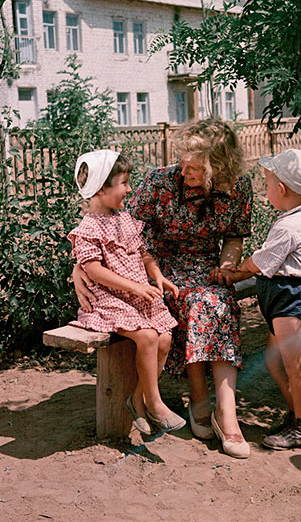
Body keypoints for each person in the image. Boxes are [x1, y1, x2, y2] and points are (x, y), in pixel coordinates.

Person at [74, 120, 252, 458]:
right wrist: (79, 265)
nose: (184, 171)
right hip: (157, 269)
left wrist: (227, 266)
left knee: (216, 299)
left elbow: (234, 235)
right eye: (183, 162)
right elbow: (116, 228)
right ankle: (200, 400)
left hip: (204, 267)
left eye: (195, 168)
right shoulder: (160, 182)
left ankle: (223, 411)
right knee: (203, 303)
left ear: (218, 168)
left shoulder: (237, 188)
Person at [69, 149, 186, 436]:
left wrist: (157, 275)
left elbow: (144, 254)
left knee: (165, 336)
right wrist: (135, 286)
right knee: (146, 336)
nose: (129, 189)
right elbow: (94, 271)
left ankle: (137, 399)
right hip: (108, 299)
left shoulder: (125, 219)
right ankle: (155, 403)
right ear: (100, 189)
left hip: (134, 296)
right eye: (123, 183)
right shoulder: (88, 228)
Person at [218, 148, 301, 450]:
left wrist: (236, 272)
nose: (265, 191)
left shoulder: (290, 226)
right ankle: (299, 416)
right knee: (275, 360)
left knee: (294, 367)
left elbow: (262, 261)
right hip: (281, 301)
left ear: (281, 189)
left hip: (290, 301)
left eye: (266, 185)